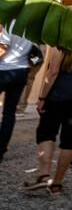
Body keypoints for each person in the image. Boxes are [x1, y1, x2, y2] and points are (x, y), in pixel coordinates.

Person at [24, 3, 72, 195]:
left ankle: (43, 175)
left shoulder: (61, 40)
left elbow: (53, 72)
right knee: (70, 140)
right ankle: (57, 183)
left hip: (58, 96)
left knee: (46, 133)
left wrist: (42, 96)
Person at [0, 21, 35, 164]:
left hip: (4, 70)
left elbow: (3, 48)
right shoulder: (32, 26)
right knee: (9, 113)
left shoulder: (11, 23)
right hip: (21, 71)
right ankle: (1, 149)